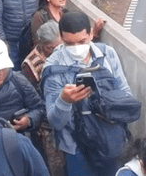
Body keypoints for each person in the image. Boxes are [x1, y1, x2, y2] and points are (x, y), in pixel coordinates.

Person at [42, 12, 135, 176]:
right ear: (62, 38)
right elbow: (55, 122)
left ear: (91, 33)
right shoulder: (53, 68)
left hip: (110, 140)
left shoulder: (107, 54)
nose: (77, 47)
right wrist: (64, 101)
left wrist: (109, 104)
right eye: (69, 43)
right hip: (76, 147)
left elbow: (125, 92)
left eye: (82, 41)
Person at [20, 21, 67, 176]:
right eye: (50, 48)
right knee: (54, 164)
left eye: (59, 46)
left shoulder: (64, 52)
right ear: (40, 44)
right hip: (46, 125)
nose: (56, 51)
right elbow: (33, 101)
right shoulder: (30, 66)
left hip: (65, 115)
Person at [30, 0, 105, 47]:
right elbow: (38, 42)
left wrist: (95, 31)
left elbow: (77, 37)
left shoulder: (66, 14)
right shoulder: (40, 16)